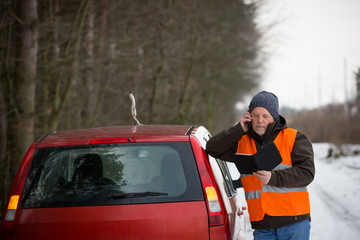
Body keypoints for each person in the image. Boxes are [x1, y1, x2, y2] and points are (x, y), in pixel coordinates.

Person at [206, 91, 315, 240]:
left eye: (265, 116)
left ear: (274, 117)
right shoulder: (242, 141)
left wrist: (273, 177)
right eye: (255, 115)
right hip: (262, 225)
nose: (259, 120)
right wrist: (238, 128)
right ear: (249, 116)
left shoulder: (294, 138)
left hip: (293, 222)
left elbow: (307, 173)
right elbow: (212, 148)